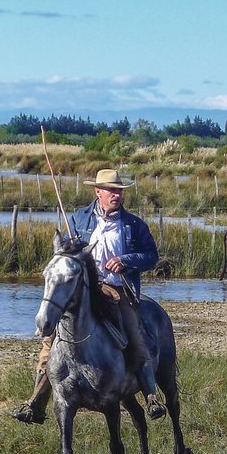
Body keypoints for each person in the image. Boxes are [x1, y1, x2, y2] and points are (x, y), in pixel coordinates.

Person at [13, 168, 166, 423]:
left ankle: (151, 396)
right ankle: (36, 402)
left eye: (119, 191)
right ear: (98, 192)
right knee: (50, 341)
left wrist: (126, 261)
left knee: (135, 337)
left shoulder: (133, 225)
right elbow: (66, 253)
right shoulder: (78, 219)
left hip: (117, 289)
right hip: (83, 288)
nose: (116, 195)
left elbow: (151, 256)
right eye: (111, 190)